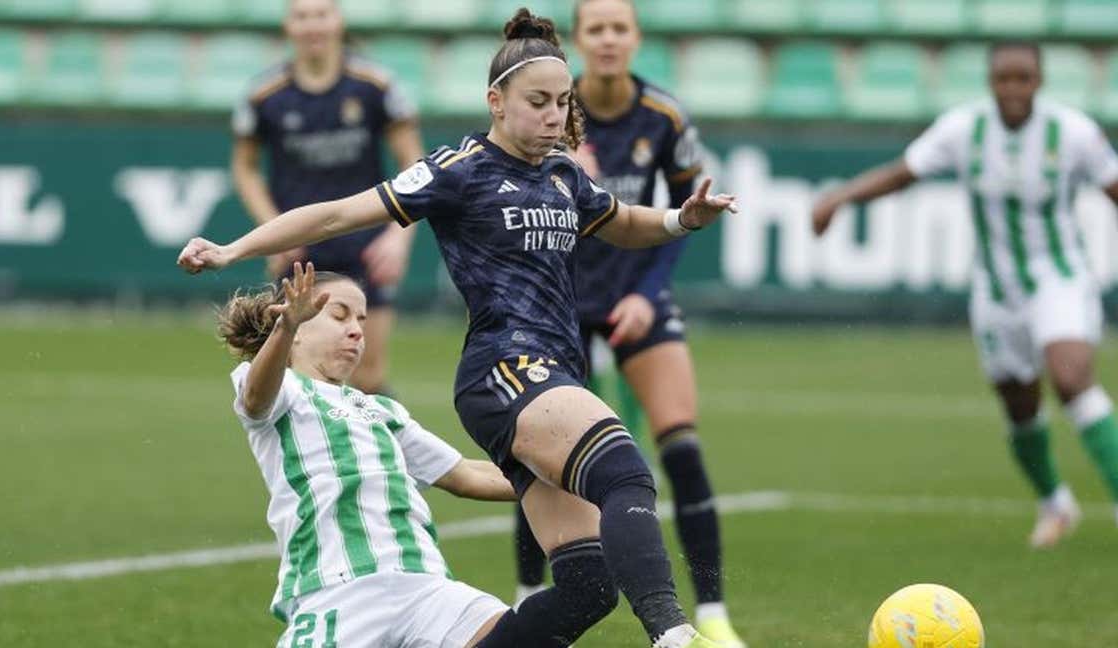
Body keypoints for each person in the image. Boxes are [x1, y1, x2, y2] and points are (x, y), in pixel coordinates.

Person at [181, 9, 737, 647]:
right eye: (538, 102)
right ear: (496, 101)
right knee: (626, 471)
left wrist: (680, 221)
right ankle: (674, 634)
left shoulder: (563, 175)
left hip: (550, 374)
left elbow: (622, 220)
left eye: (562, 102)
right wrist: (232, 250)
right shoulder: (457, 169)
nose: (555, 116)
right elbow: (338, 214)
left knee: (588, 587)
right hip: (504, 370)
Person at [812, 41, 1118, 549]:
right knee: (1019, 405)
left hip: (1059, 278)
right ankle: (1055, 502)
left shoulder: (1074, 133)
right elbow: (901, 174)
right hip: (997, 290)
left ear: (1039, 82)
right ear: (991, 82)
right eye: (1004, 79)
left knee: (1071, 379)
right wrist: (840, 198)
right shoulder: (964, 129)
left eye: (1023, 79)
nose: (1013, 89)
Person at [511, 2, 744, 646]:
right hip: (558, 303)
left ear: (636, 39)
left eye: (620, 28)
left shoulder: (663, 117)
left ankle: (716, 615)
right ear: (580, 41)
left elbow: (685, 212)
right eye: (597, 29)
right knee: (539, 456)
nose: (609, 39)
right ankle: (528, 595)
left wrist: (647, 293)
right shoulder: (550, 109)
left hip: (636, 297)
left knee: (682, 446)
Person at [221, 263, 514, 647]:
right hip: (337, 592)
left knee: (521, 636)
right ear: (297, 329)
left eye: (361, 318)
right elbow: (257, 399)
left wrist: (581, 479)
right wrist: (284, 327)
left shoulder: (382, 410)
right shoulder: (283, 391)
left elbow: (465, 475)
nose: (358, 330)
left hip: (423, 585)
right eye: (339, 315)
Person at [231, 0, 424, 394]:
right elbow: (245, 168)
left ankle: (384, 454)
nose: (312, 25)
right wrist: (272, 231)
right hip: (299, 251)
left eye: (321, 14)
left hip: (365, 246)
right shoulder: (265, 95)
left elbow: (414, 165)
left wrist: (398, 236)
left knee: (367, 376)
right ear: (289, 26)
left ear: (338, 20)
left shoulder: (375, 86)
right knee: (295, 374)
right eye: (302, 16)